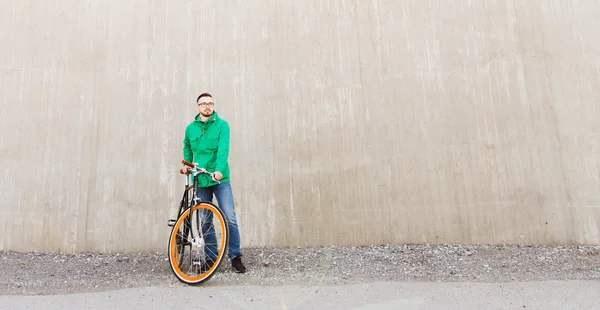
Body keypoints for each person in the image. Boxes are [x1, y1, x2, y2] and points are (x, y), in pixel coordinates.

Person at [181, 92, 246, 273]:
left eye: (210, 103)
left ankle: (235, 256)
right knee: (204, 219)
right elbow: (187, 145)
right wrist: (187, 163)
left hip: (219, 178)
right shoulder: (190, 128)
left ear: (213, 106)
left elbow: (223, 151)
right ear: (198, 107)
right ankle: (211, 258)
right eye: (203, 104)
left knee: (229, 216)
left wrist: (218, 171)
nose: (207, 106)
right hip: (200, 179)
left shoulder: (222, 126)